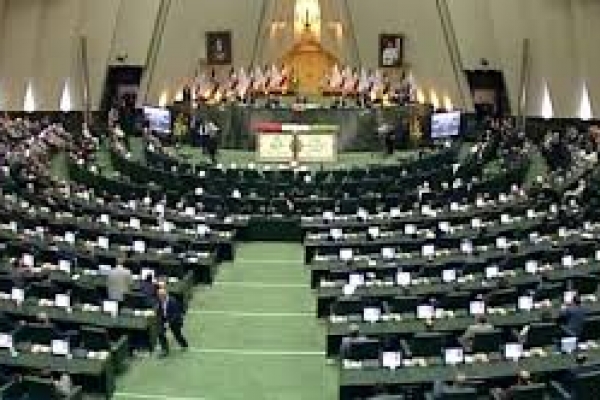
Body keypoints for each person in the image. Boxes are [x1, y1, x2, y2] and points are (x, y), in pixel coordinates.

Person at [156, 288, 188, 357]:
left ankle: (184, 345)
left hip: (174, 321)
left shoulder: (172, 301)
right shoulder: (159, 301)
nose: (160, 297)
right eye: (159, 295)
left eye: (161, 295)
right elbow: (160, 311)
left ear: (165, 295)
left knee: (177, 334)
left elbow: (176, 314)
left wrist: (169, 323)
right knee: (160, 333)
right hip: (164, 320)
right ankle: (165, 350)